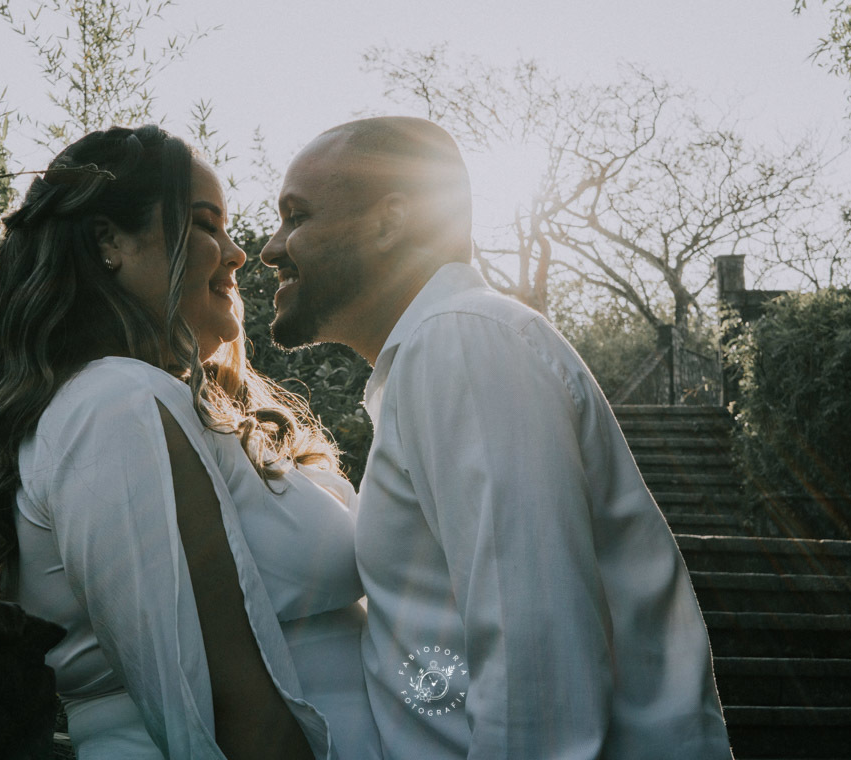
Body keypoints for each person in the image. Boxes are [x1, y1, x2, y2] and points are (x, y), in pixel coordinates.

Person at [262, 116, 732, 759]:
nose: (270, 247)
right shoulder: (442, 349)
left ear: (389, 221)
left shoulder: (460, 341)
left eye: (296, 216)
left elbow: (533, 650)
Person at [0, 125, 381, 759]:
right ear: (109, 241)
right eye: (204, 224)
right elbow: (225, 702)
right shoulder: (115, 403)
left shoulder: (159, 403)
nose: (237, 254)